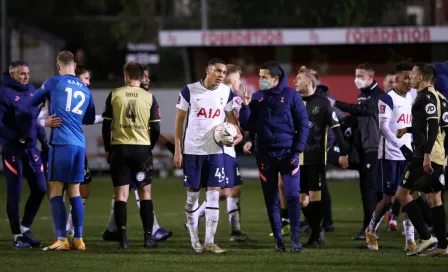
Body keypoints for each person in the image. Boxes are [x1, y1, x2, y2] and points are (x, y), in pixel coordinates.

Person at [174, 58, 243, 253]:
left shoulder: (226, 92)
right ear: (207, 70)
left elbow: (230, 119)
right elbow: (179, 121)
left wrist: (236, 134)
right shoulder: (189, 90)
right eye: (218, 71)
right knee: (192, 197)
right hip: (193, 151)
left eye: (224, 72)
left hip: (215, 150)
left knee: (213, 194)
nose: (222, 75)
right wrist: (178, 150)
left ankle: (210, 241)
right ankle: (195, 239)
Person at [239, 61, 309, 253]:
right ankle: (279, 242)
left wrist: (296, 152)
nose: (260, 80)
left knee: (294, 196)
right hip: (264, 156)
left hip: (288, 155)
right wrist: (245, 107)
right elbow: (247, 125)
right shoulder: (257, 97)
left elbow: (303, 126)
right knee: (271, 199)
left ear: (275, 79)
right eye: (259, 76)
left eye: (263, 77)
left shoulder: (292, 96)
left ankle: (295, 241)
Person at [30, 50, 96, 251]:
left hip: (61, 143)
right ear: (74, 66)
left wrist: (43, 119)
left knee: (55, 190)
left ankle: (61, 239)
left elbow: (32, 101)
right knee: (75, 191)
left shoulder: (53, 82)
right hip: (79, 145)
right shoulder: (85, 90)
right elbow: (89, 118)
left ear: (59, 66)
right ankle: (78, 239)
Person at [102, 65, 173, 242]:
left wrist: (108, 149)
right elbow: (155, 128)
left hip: (120, 148)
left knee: (120, 195)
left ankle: (122, 237)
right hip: (141, 150)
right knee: (145, 194)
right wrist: (148, 147)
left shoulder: (115, 94)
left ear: (125, 75)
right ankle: (149, 236)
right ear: (141, 77)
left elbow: (106, 125)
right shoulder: (149, 97)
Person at [293, 67, 348, 248]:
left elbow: (337, 129)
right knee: (300, 199)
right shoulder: (293, 102)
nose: (294, 82)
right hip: (296, 158)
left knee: (315, 197)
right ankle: (318, 231)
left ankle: (315, 237)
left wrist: (343, 152)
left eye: (298, 79)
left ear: (308, 83)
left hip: (316, 158)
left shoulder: (323, 103)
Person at [395, 62, 446, 256]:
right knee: (435, 199)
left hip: (425, 155)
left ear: (422, 78)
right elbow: (442, 129)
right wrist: (408, 129)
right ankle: (442, 246)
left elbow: (433, 128)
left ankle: (426, 238)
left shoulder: (426, 98)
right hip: (438, 155)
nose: (410, 78)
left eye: (413, 75)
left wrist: (426, 155)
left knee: (402, 194)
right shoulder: (441, 98)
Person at [364, 61, 416, 251]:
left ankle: (410, 241)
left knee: (408, 196)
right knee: (388, 200)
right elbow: (383, 128)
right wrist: (400, 146)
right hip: (390, 155)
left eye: (411, 77)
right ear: (396, 79)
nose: (409, 81)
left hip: (408, 155)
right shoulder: (387, 99)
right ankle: (371, 230)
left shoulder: (412, 97)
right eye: (406, 78)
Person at [194, 64, 247, 241]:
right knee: (224, 191)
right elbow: (242, 120)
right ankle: (195, 216)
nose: (239, 82)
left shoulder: (220, 97)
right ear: (232, 81)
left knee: (233, 189)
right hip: (223, 150)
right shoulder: (234, 99)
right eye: (238, 79)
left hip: (226, 149)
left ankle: (236, 231)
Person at [0, 61, 48, 249]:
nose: (26, 77)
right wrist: (15, 137)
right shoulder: (4, 93)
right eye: (22, 74)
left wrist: (43, 140)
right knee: (15, 193)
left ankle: (25, 227)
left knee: (40, 187)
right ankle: (16, 235)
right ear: (12, 74)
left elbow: (36, 118)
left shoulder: (32, 90)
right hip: (13, 149)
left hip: (30, 148)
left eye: (27, 73)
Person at [334, 63, 384, 240]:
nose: (357, 79)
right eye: (356, 75)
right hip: (365, 148)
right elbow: (357, 117)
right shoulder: (364, 95)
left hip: (375, 148)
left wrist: (337, 104)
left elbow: (365, 111)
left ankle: (372, 229)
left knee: (372, 189)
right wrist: (341, 123)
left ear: (371, 77)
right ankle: (368, 228)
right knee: (366, 189)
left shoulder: (378, 95)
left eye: (361, 75)